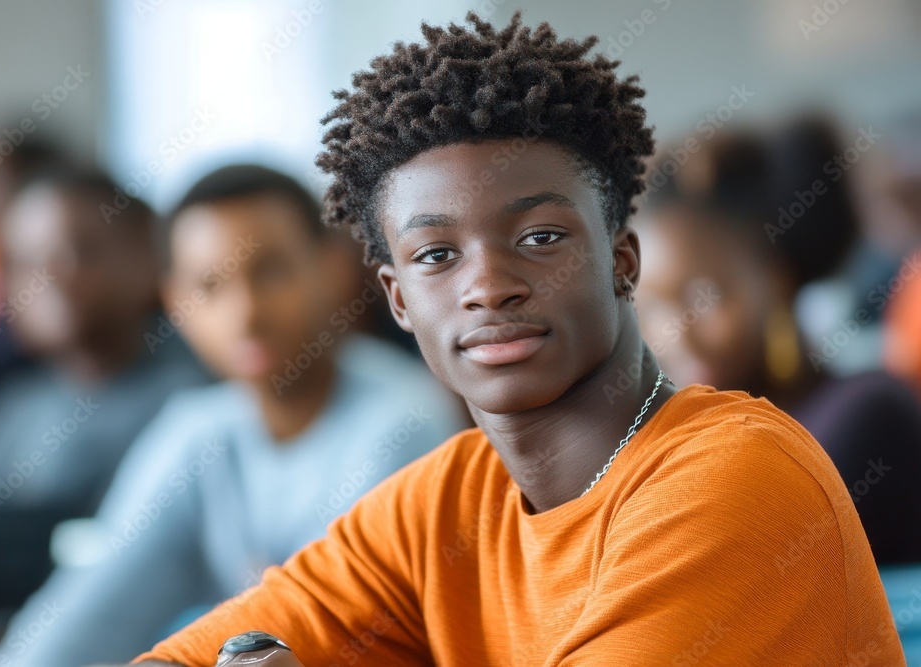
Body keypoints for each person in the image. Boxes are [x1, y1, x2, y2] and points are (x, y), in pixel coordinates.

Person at [129, 14, 904, 666]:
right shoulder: (442, 505)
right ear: (397, 300)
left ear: (623, 260)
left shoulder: (733, 476)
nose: (487, 284)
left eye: (538, 236)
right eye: (437, 255)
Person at [0, 165, 466, 667]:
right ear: (175, 302)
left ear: (334, 269)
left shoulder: (403, 420)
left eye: (272, 271)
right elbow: (85, 613)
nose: (245, 313)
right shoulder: (198, 433)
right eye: (210, 286)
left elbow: (327, 620)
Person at [0, 167, 210, 623]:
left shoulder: (191, 401)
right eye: (24, 261)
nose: (46, 278)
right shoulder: (19, 401)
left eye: (76, 252)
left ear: (146, 258)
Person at [635, 120, 921, 565]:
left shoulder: (867, 413)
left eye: (704, 297)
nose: (678, 333)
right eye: (650, 307)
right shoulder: (684, 440)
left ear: (776, 279)